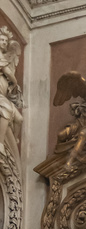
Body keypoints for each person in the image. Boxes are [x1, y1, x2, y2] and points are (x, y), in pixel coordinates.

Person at [0, 26, 22, 155]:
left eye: (5, 41)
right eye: (1, 40)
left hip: (3, 95)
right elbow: (8, 73)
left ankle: (13, 141)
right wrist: (14, 83)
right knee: (7, 110)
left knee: (19, 119)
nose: (3, 43)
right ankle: (1, 143)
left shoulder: (4, 57)